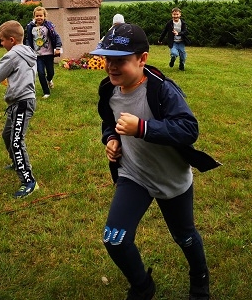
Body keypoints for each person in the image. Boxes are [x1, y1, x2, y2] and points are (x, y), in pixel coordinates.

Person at [91, 23, 220, 300]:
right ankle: (142, 286)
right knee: (115, 239)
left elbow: (188, 129)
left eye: (121, 61)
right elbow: (109, 122)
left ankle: (199, 277)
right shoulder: (109, 90)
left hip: (170, 177)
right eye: (107, 59)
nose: (112, 67)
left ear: (142, 59)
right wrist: (111, 139)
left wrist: (143, 128)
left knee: (184, 237)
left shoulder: (162, 90)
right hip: (133, 175)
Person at [0, 20, 38, 198]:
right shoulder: (28, 51)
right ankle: (16, 162)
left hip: (22, 102)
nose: (1, 43)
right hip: (18, 102)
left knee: (16, 141)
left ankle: (29, 181)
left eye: (2, 40)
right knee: (7, 134)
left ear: (11, 40)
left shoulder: (13, 55)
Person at [24, 6, 63, 99]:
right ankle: (46, 92)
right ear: (34, 16)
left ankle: (49, 80)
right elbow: (28, 39)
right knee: (41, 73)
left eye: (41, 15)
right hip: (38, 55)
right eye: (37, 16)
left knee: (50, 72)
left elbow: (57, 37)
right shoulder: (30, 27)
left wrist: (58, 47)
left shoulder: (49, 26)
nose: (39, 18)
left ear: (44, 16)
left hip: (49, 54)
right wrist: (28, 49)